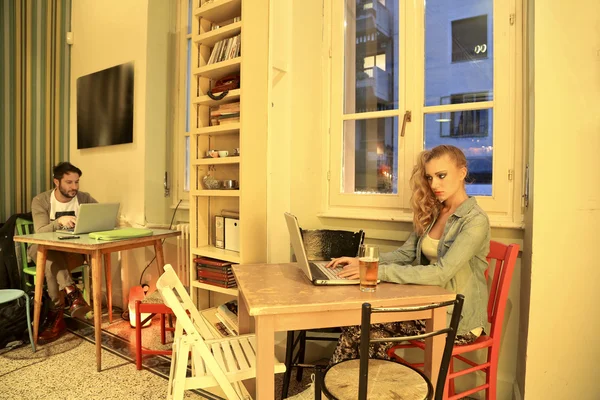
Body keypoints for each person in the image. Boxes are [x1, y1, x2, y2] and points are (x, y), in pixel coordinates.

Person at [326, 145, 490, 364]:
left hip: (456, 319)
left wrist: (375, 271)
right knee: (362, 329)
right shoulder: (435, 213)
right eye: (430, 178)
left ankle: (344, 390)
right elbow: (405, 253)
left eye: (441, 176)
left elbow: (440, 273)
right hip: (430, 306)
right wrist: (364, 262)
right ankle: (351, 391)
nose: (434, 185)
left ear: (462, 172)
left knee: (363, 328)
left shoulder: (475, 221)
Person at [29, 162, 97, 343]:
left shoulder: (84, 198)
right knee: (44, 251)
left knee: (48, 260)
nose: (74, 187)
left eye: (77, 182)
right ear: (56, 182)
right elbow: (40, 232)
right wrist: (59, 221)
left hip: (72, 253)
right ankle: (72, 293)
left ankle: (56, 314)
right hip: (46, 250)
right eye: (69, 182)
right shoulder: (41, 200)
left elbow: (100, 217)